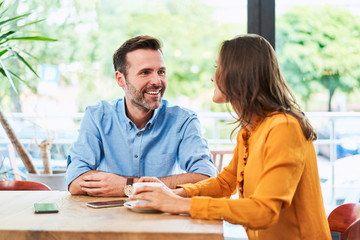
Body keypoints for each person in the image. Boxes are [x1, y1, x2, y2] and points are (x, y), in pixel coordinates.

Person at [130, 34, 332, 240]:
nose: (212, 77)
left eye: (218, 67)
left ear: (238, 73)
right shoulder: (250, 129)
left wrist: (180, 205)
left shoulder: (284, 127)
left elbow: (264, 211)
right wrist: (173, 193)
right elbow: (226, 183)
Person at [66, 35, 217, 197]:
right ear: (120, 79)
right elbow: (75, 181)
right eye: (145, 72)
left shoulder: (183, 120)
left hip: (162, 218)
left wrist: (128, 186)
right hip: (110, 219)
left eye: (161, 72)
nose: (157, 81)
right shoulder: (97, 116)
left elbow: (207, 178)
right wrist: (157, 185)